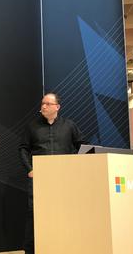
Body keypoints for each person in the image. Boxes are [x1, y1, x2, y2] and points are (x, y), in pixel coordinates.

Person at [18, 92, 85, 254]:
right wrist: (30, 169)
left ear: (57, 107)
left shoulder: (69, 126)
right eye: (42, 103)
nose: (43, 106)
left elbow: (82, 145)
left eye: (48, 103)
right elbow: (23, 149)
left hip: (64, 180)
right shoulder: (32, 126)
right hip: (39, 180)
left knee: (64, 213)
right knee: (35, 216)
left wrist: (75, 167)